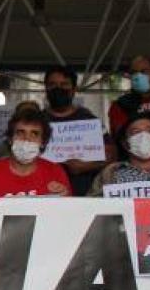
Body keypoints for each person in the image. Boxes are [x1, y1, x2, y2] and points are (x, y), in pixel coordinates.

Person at [0, 108, 71, 198]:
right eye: (20, 132)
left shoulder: (55, 172)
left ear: (43, 142)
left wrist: (64, 198)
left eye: (34, 134)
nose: (27, 139)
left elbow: (67, 213)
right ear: (10, 139)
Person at [42, 65, 107, 196]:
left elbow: (111, 154)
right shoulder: (37, 121)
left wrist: (85, 166)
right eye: (52, 84)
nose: (58, 88)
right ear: (46, 88)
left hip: (86, 193)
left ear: (74, 89)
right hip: (46, 192)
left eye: (64, 84)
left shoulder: (91, 120)